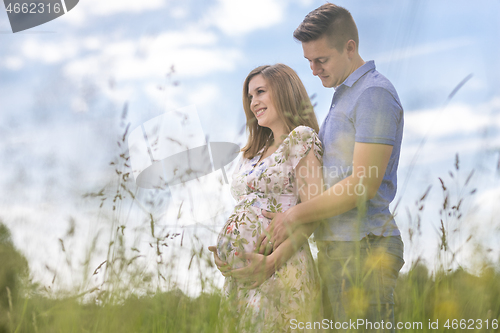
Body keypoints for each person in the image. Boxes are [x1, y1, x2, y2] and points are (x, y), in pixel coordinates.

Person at [252, 3, 405, 332]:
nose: (313, 69)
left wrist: (293, 216)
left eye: (321, 60)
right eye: (308, 61)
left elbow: (362, 185)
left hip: (364, 249)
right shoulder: (344, 94)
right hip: (341, 249)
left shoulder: (373, 94)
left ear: (350, 48)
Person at [208, 63, 325, 332]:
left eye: (260, 92)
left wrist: (272, 262)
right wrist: (227, 252)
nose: (253, 102)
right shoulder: (252, 152)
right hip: (242, 279)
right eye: (250, 96)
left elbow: (314, 213)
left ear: (284, 92)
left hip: (279, 268)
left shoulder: (300, 139)